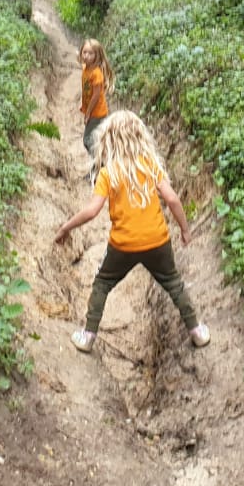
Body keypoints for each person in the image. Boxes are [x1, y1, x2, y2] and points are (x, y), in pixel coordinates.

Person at [52, 110, 211, 353]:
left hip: (123, 246)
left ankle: (87, 336)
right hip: (157, 240)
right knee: (174, 284)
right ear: (139, 136)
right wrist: (185, 230)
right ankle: (197, 331)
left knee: (102, 284)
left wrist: (66, 227)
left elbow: (92, 211)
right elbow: (172, 199)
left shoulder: (108, 173)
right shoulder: (149, 166)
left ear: (108, 140)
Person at [78, 38, 115, 160]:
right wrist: (83, 104)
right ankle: (98, 164)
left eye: (91, 53)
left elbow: (96, 95)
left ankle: (98, 164)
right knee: (93, 140)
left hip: (98, 113)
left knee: (88, 140)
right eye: (85, 52)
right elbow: (86, 90)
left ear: (97, 56)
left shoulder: (96, 73)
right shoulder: (86, 69)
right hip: (93, 112)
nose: (86, 56)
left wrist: (88, 113)